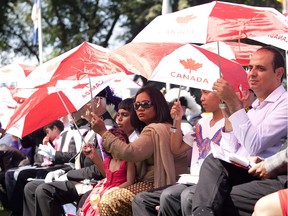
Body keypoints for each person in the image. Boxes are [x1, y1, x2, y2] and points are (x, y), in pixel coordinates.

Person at [189, 46, 288, 216]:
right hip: (242, 170)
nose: (251, 73)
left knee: (191, 197)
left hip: (267, 175)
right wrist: (228, 111)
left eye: (260, 68)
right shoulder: (253, 107)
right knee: (180, 194)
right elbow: (229, 148)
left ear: (279, 73)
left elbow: (254, 145)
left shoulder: (284, 104)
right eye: (250, 68)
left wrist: (234, 103)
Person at [90, 85, 189, 216]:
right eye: (136, 105)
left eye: (146, 104)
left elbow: (130, 153)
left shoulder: (154, 129)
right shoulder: (165, 126)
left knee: (110, 201)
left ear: (158, 105)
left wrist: (103, 132)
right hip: (163, 184)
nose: (140, 108)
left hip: (157, 185)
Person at [22, 89, 123, 216]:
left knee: (44, 190)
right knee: (30, 187)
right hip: (82, 177)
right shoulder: (95, 127)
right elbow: (79, 158)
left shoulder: (108, 129)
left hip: (94, 182)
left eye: (84, 101)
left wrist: (69, 174)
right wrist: (62, 171)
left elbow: (101, 169)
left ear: (97, 101)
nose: (79, 106)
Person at [131, 89, 225, 216]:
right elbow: (176, 149)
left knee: (175, 196)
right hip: (191, 181)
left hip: (210, 183)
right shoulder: (201, 123)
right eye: (201, 93)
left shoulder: (228, 123)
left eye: (206, 93)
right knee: (141, 200)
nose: (202, 98)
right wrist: (177, 121)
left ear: (221, 95)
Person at [79, 128, 136, 216]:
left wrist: (114, 189)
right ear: (107, 147)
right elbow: (106, 175)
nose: (120, 145)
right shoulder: (108, 161)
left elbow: (130, 181)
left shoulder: (128, 161)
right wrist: (94, 156)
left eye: (122, 141)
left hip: (119, 190)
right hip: (105, 188)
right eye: (115, 143)